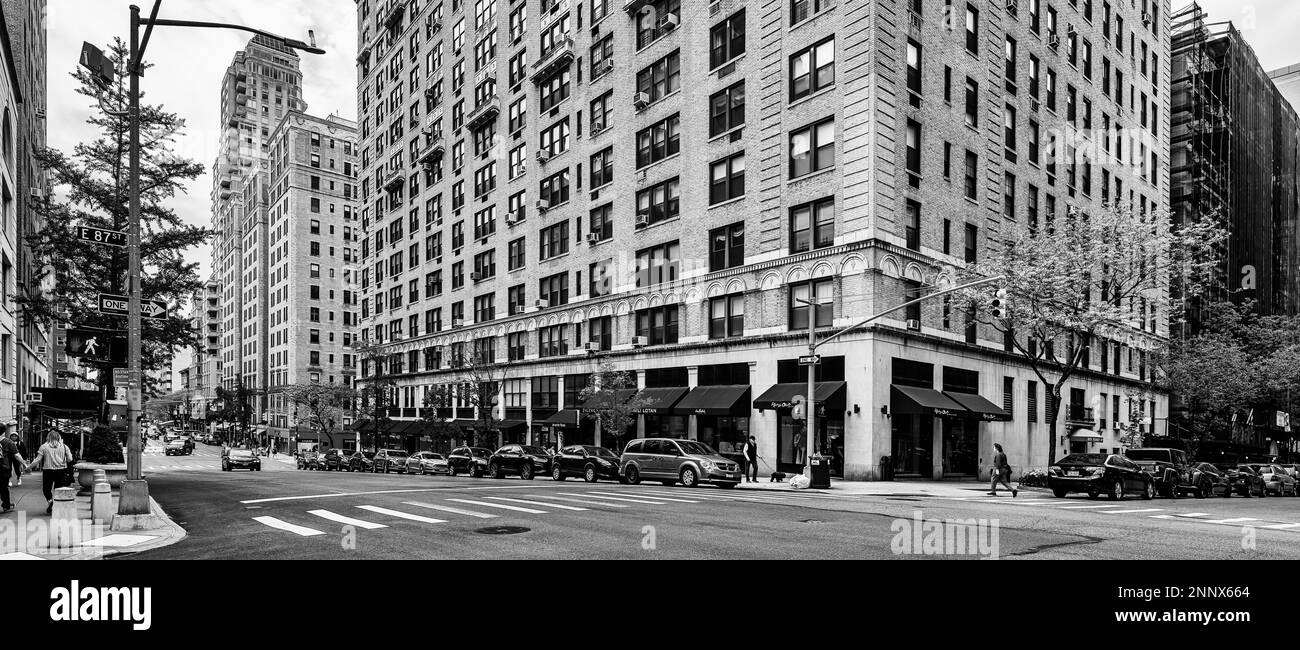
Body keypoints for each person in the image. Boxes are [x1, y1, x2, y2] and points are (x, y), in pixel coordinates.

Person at [26, 431, 76, 515]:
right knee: (58, 489)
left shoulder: (44, 446)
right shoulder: (64, 446)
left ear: (48, 437)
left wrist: (29, 467)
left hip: (48, 471)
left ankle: (50, 501)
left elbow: (38, 460)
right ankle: (57, 505)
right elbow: (70, 459)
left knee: (46, 489)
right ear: (58, 437)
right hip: (61, 470)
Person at [0, 434, 25, 514]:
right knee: (4, 487)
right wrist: (24, 464)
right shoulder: (8, 442)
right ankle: (6, 506)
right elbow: (16, 455)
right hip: (3, 467)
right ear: (3, 432)